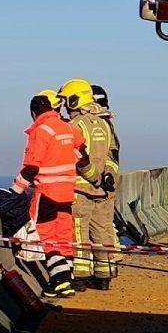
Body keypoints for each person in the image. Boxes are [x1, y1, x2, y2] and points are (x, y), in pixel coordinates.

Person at [11, 90, 80, 298]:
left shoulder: (40, 131)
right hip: (68, 192)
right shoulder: (67, 127)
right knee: (64, 236)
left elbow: (31, 167)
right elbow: (81, 153)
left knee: (47, 237)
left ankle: (60, 282)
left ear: (34, 113)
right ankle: (69, 278)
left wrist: (16, 190)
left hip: (47, 193)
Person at [59, 79, 120, 291]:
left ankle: (81, 277)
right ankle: (104, 276)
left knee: (79, 232)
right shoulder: (104, 123)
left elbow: (76, 156)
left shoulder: (75, 126)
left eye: (67, 101)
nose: (65, 106)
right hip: (105, 190)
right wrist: (109, 175)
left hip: (81, 189)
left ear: (75, 100)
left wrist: (94, 176)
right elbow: (113, 153)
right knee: (102, 231)